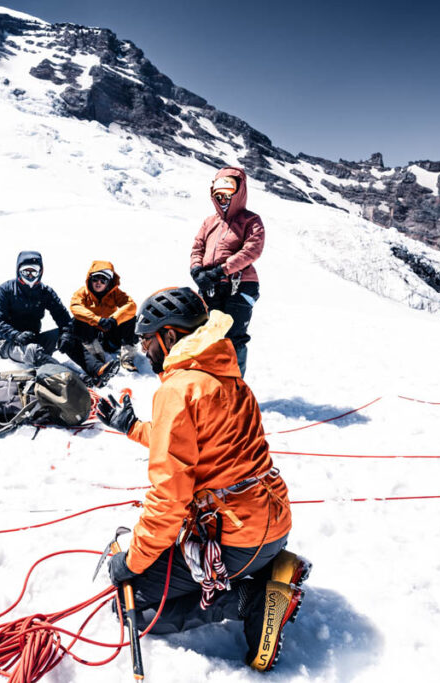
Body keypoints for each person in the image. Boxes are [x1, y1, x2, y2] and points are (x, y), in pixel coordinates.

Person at [95, 287, 308, 672]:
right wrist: (132, 427)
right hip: (272, 524)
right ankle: (268, 570)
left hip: (235, 536)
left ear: (170, 336)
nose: (145, 350)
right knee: (159, 566)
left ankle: (249, 597)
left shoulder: (177, 390)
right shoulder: (228, 378)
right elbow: (200, 447)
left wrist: (132, 560)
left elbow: (169, 500)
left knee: (133, 603)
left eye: (147, 339)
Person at [190, 167, 264, 376]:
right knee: (208, 334)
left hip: (240, 285)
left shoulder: (251, 220)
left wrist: (220, 271)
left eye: (228, 195)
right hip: (211, 285)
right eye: (218, 195)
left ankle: (236, 388)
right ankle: (212, 383)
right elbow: (198, 247)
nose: (223, 199)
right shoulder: (209, 222)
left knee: (234, 337)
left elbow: (252, 250)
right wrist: (196, 270)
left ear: (238, 193)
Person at [0, 251, 75, 367]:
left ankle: (95, 369)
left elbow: (62, 316)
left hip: (34, 339)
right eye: (26, 271)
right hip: (11, 343)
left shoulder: (45, 292)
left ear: (40, 272)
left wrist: (66, 334)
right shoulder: (5, 290)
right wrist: (16, 335)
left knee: (73, 331)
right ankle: (73, 376)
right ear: (19, 271)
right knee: (34, 351)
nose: (30, 276)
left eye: (34, 272)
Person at [68, 260, 138, 380]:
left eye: (103, 280)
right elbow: (75, 306)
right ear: (90, 279)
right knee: (77, 321)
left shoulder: (115, 293)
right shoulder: (82, 293)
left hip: (110, 332)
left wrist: (114, 320)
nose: (98, 283)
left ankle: (127, 358)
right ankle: (97, 357)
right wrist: (97, 320)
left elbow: (131, 305)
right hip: (92, 334)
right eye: (95, 279)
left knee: (130, 318)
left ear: (109, 282)